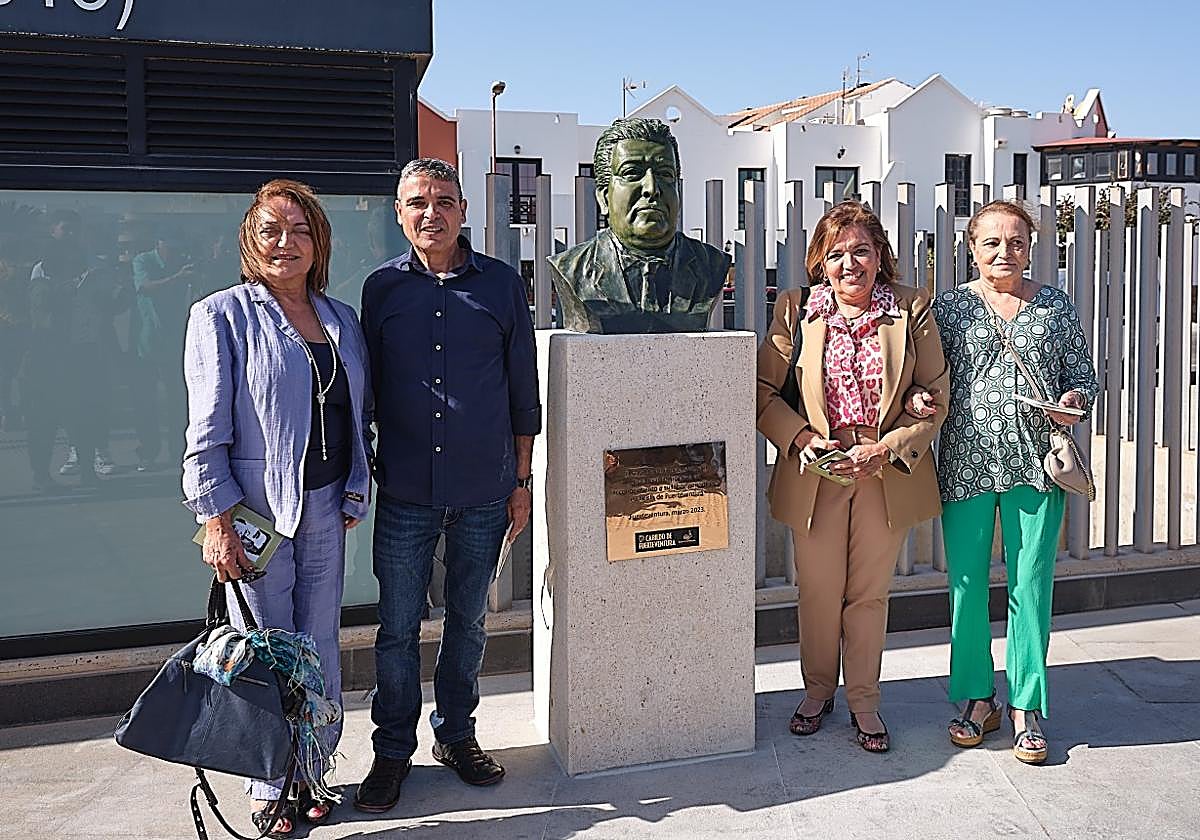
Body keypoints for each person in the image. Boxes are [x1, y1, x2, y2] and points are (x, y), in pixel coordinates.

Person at [182, 179, 373, 836]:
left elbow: (355, 414)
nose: (285, 243)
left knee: (317, 647)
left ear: (319, 242)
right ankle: (270, 781)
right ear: (250, 240)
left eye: (300, 230)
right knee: (267, 651)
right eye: (271, 230)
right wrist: (215, 521)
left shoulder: (341, 318)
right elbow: (205, 431)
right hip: (255, 515)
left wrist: (355, 485)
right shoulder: (222, 316)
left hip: (325, 507)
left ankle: (313, 768)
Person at [356, 158, 541, 811]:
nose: (429, 213)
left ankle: (456, 736)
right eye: (416, 202)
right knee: (398, 627)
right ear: (399, 213)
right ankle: (391, 751)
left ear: (463, 210)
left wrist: (521, 479)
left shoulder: (499, 286)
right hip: (405, 490)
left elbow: (524, 389)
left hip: (485, 489)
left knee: (467, 623)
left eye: (442, 200)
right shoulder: (381, 290)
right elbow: (364, 392)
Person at [756, 201, 948, 753]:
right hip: (817, 468)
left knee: (867, 594)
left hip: (882, 470)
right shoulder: (796, 310)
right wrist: (801, 439)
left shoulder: (910, 308)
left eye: (861, 251)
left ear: (880, 256)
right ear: (820, 260)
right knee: (817, 591)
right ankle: (817, 692)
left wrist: (886, 449)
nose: (849, 264)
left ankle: (864, 702)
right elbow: (765, 393)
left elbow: (935, 394)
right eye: (836, 254)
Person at [908, 200, 1096, 765]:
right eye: (992, 242)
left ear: (1031, 247)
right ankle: (976, 698)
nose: (1004, 252)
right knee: (965, 587)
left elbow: (1083, 378)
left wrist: (1072, 403)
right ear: (971, 247)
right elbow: (925, 377)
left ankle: (1027, 706)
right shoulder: (949, 309)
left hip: (1036, 468)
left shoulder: (1055, 306)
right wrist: (920, 398)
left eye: (1016, 242)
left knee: (1030, 587)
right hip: (965, 467)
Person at [546, 117, 729, 334]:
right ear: (604, 198)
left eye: (664, 174)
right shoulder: (572, 269)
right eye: (632, 173)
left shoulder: (711, 265)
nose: (651, 189)